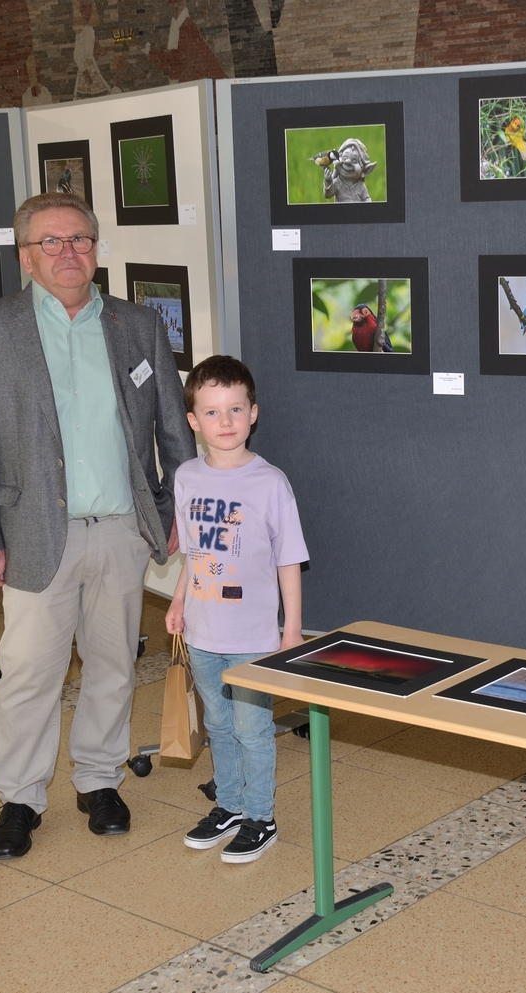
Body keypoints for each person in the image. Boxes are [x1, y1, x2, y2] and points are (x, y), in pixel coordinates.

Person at [0, 191, 192, 859]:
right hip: (31, 530)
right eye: (51, 242)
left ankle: (99, 779)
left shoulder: (137, 324)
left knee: (114, 662)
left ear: (96, 249)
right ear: (26, 255)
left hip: (122, 528)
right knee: (30, 671)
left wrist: (175, 508)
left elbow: (173, 428)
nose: (68, 253)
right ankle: (20, 797)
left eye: (80, 239)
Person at [167, 355, 306, 863]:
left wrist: (291, 631)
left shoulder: (270, 482)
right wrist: (179, 600)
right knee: (219, 727)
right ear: (193, 421)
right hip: (203, 633)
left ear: (253, 413)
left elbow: (289, 560)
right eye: (211, 412)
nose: (224, 422)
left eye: (235, 409)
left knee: (252, 730)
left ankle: (260, 816)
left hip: (253, 638)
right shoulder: (187, 476)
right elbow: (193, 551)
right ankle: (228, 805)